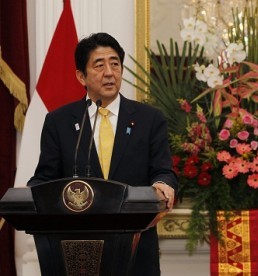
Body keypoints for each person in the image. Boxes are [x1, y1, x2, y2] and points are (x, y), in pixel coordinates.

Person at [28, 32, 177, 275]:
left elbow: (163, 171)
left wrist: (163, 184)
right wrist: (32, 191)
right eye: (99, 65)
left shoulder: (150, 119)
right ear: (81, 76)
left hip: (135, 249)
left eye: (115, 64)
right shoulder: (59, 121)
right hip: (77, 250)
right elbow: (46, 178)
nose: (109, 72)